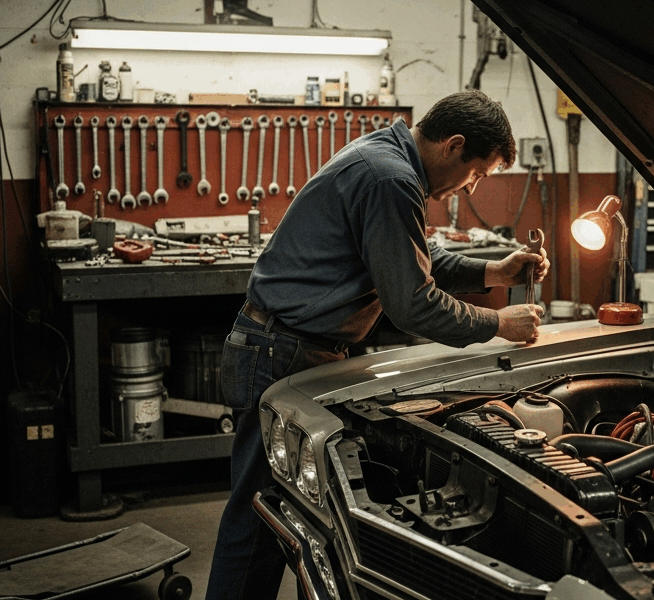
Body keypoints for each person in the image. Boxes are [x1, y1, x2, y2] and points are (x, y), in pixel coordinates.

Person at [204, 89, 549, 600]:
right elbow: (413, 304)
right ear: (453, 145)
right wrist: (499, 322)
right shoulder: (391, 178)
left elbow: (412, 258)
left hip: (290, 349)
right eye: (476, 174)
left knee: (299, 517)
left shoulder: (387, 154)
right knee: (261, 517)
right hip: (281, 352)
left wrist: (492, 269)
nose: (467, 188)